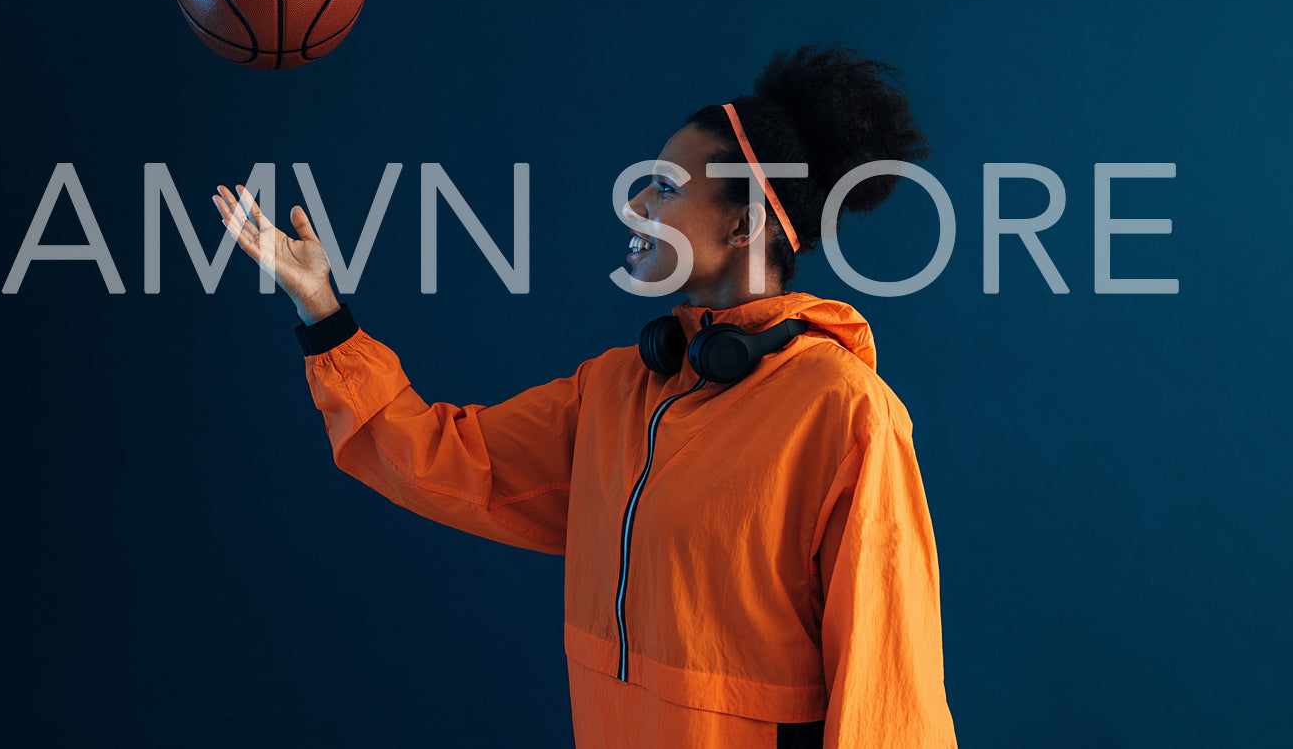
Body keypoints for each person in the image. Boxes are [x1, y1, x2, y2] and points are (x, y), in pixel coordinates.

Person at [212, 44, 959, 748]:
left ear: (742, 223)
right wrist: (322, 310)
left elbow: (890, 688)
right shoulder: (612, 391)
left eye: (663, 188)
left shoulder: (842, 409)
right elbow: (441, 460)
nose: (632, 202)